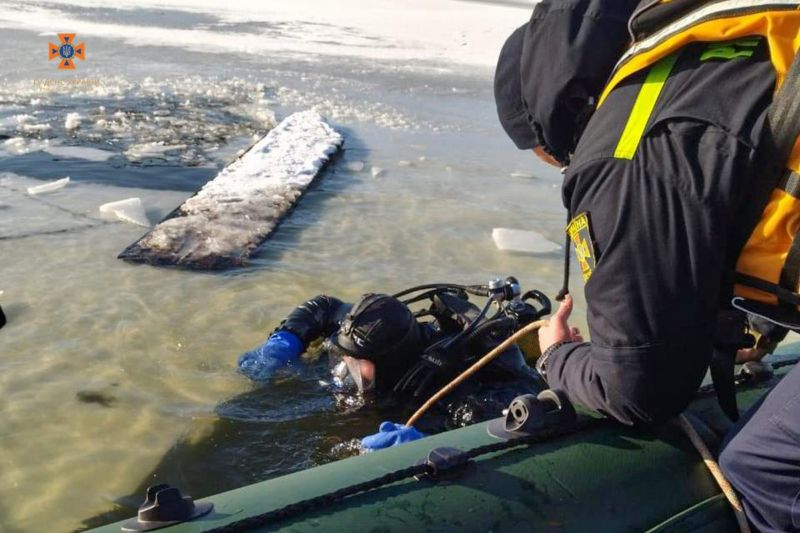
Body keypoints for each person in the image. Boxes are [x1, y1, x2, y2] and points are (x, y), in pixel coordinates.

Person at [496, 0, 799, 429]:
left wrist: (557, 357)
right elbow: (753, 177)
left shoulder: (622, 151)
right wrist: (756, 326)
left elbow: (638, 390)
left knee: (756, 467)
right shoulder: (704, 59)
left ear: (545, 124)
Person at [238, 280, 551, 448]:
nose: (345, 370)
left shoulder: (449, 388)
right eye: (343, 358)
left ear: (390, 364)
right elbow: (325, 306)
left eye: (358, 366)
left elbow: (517, 397)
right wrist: (285, 340)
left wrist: (429, 438)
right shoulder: (361, 331)